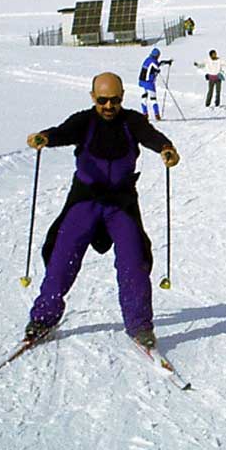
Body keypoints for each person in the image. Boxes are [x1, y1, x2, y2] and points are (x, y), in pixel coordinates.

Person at [23, 72, 181, 348]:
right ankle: (43, 319)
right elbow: (62, 132)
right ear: (93, 97)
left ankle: (140, 326)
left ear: (122, 97)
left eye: (115, 100)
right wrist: (44, 137)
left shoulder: (132, 121)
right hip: (85, 200)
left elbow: (150, 135)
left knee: (134, 261)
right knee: (62, 257)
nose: (109, 106)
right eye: (103, 100)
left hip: (121, 203)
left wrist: (166, 149)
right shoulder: (83, 121)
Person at [138, 48, 172, 121]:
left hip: (141, 82)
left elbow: (157, 64)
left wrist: (166, 62)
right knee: (153, 99)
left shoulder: (147, 59)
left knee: (144, 98)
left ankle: (145, 114)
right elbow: (156, 67)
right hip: (149, 83)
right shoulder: (153, 62)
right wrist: (157, 71)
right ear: (157, 55)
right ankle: (157, 115)